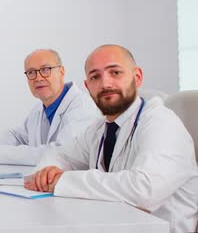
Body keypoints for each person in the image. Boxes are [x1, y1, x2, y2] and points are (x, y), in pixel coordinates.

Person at [25, 44, 198, 233]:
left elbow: (144, 190)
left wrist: (63, 181)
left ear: (137, 77)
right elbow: (61, 154)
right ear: (87, 86)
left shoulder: (162, 122)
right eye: (95, 77)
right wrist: (46, 172)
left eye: (115, 72)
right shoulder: (100, 128)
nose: (105, 84)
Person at [0, 49, 100, 165]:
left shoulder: (82, 107)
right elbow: (18, 136)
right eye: (31, 72)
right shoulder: (40, 108)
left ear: (61, 72)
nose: (38, 78)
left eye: (45, 69)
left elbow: (60, 154)